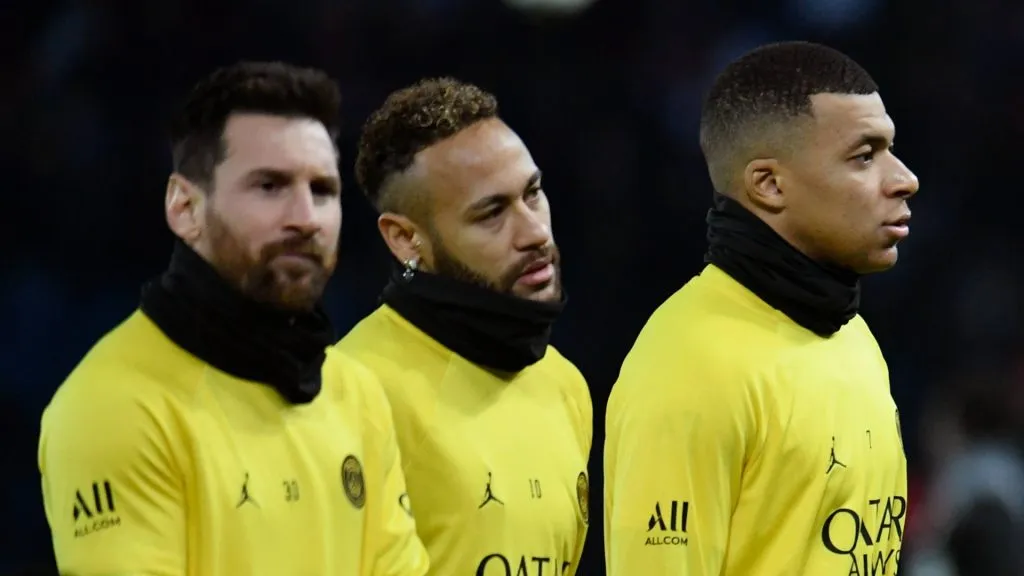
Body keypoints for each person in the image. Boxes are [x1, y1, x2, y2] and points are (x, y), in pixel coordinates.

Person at [38, 61, 429, 576]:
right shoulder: (113, 406)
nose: (305, 218)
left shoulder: (357, 393)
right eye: (269, 186)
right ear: (184, 208)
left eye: (322, 190)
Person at [604, 41, 920, 575]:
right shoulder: (690, 366)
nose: (904, 179)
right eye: (865, 156)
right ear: (769, 185)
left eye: (890, 149)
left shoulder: (853, 336)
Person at [335, 77, 592, 575]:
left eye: (533, 193)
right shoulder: (350, 394)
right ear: (405, 239)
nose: (535, 232)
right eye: (491, 214)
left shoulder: (565, 386)